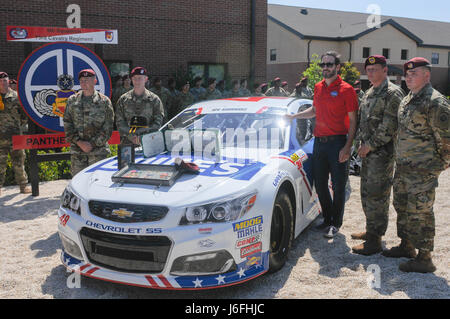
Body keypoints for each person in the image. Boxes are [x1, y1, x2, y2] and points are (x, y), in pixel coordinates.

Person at [383, 58, 449, 273]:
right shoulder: (408, 99)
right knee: (402, 208)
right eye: (407, 74)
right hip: (403, 168)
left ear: (427, 76)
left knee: (421, 212)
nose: (409, 77)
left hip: (423, 171)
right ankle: (407, 246)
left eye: (414, 74)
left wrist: (436, 167)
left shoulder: (435, 102)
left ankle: (425, 258)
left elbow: (447, 139)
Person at [286, 51, 358, 238]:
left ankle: (336, 223)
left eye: (329, 64)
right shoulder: (318, 87)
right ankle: (326, 219)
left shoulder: (347, 89)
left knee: (338, 184)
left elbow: (353, 120)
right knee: (320, 184)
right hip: (319, 143)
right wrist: (294, 116)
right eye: (323, 64)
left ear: (337, 67)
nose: (325, 68)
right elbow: (314, 110)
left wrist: (347, 146)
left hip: (338, 143)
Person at [351, 55, 405, 255]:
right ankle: (370, 229)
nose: (371, 73)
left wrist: (370, 145)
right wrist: (359, 143)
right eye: (369, 69)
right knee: (366, 193)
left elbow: (389, 126)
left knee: (378, 195)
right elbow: (363, 121)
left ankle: (375, 240)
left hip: (381, 154)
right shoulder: (370, 92)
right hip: (367, 154)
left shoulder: (392, 93)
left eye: (375, 69)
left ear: (385, 70)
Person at [63, 69, 114, 176]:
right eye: (81, 80)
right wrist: (79, 142)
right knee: (78, 183)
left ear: (94, 81)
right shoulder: (72, 101)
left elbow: (108, 127)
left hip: (98, 152)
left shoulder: (104, 101)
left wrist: (92, 144)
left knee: (97, 182)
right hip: (78, 153)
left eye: (87, 80)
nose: (84, 83)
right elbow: (67, 124)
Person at [115, 67, 164, 146]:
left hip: (149, 143)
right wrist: (131, 136)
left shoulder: (154, 100)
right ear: (131, 79)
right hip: (127, 144)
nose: (137, 81)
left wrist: (143, 136)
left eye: (140, 78)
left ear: (146, 79)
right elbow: (119, 122)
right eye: (135, 78)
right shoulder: (123, 100)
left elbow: (158, 122)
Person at [0, 72, 31, 195]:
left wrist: (17, 126)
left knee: (19, 162)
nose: (3, 83)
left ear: (8, 82)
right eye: (1, 81)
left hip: (16, 137)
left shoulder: (17, 97)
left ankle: (23, 186)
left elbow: (24, 116)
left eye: (5, 80)